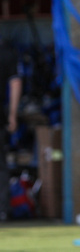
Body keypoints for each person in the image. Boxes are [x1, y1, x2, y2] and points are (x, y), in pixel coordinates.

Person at [0, 39, 22, 222]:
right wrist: (12, 115)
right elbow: (15, 84)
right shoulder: (7, 53)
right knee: (1, 166)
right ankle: (3, 210)